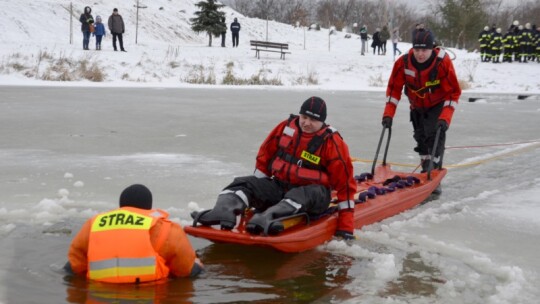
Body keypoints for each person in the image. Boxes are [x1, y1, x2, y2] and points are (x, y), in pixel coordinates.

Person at [193, 97, 357, 240]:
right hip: (281, 186)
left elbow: (345, 184)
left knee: (302, 194)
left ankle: (269, 217)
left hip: (314, 194)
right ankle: (223, 211)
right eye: (304, 117)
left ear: (322, 122)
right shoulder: (285, 128)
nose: (306, 123)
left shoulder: (331, 142)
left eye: (313, 120)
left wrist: (346, 226)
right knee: (243, 184)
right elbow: (265, 157)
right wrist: (258, 193)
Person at [66, 184, 203, 283]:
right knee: (196, 266)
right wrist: (196, 262)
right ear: (149, 207)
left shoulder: (94, 223)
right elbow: (184, 271)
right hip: (148, 291)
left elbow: (75, 265)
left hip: (99, 291)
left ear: (121, 205)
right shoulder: (166, 228)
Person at [381, 29, 461, 185]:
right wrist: (388, 115)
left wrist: (445, 118)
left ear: (432, 48)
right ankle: (426, 168)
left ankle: (434, 173)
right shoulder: (403, 63)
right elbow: (393, 90)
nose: (420, 54)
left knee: (434, 135)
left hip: (437, 105)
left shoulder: (442, 63)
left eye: (424, 50)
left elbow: (453, 93)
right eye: (417, 49)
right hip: (417, 106)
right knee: (421, 138)